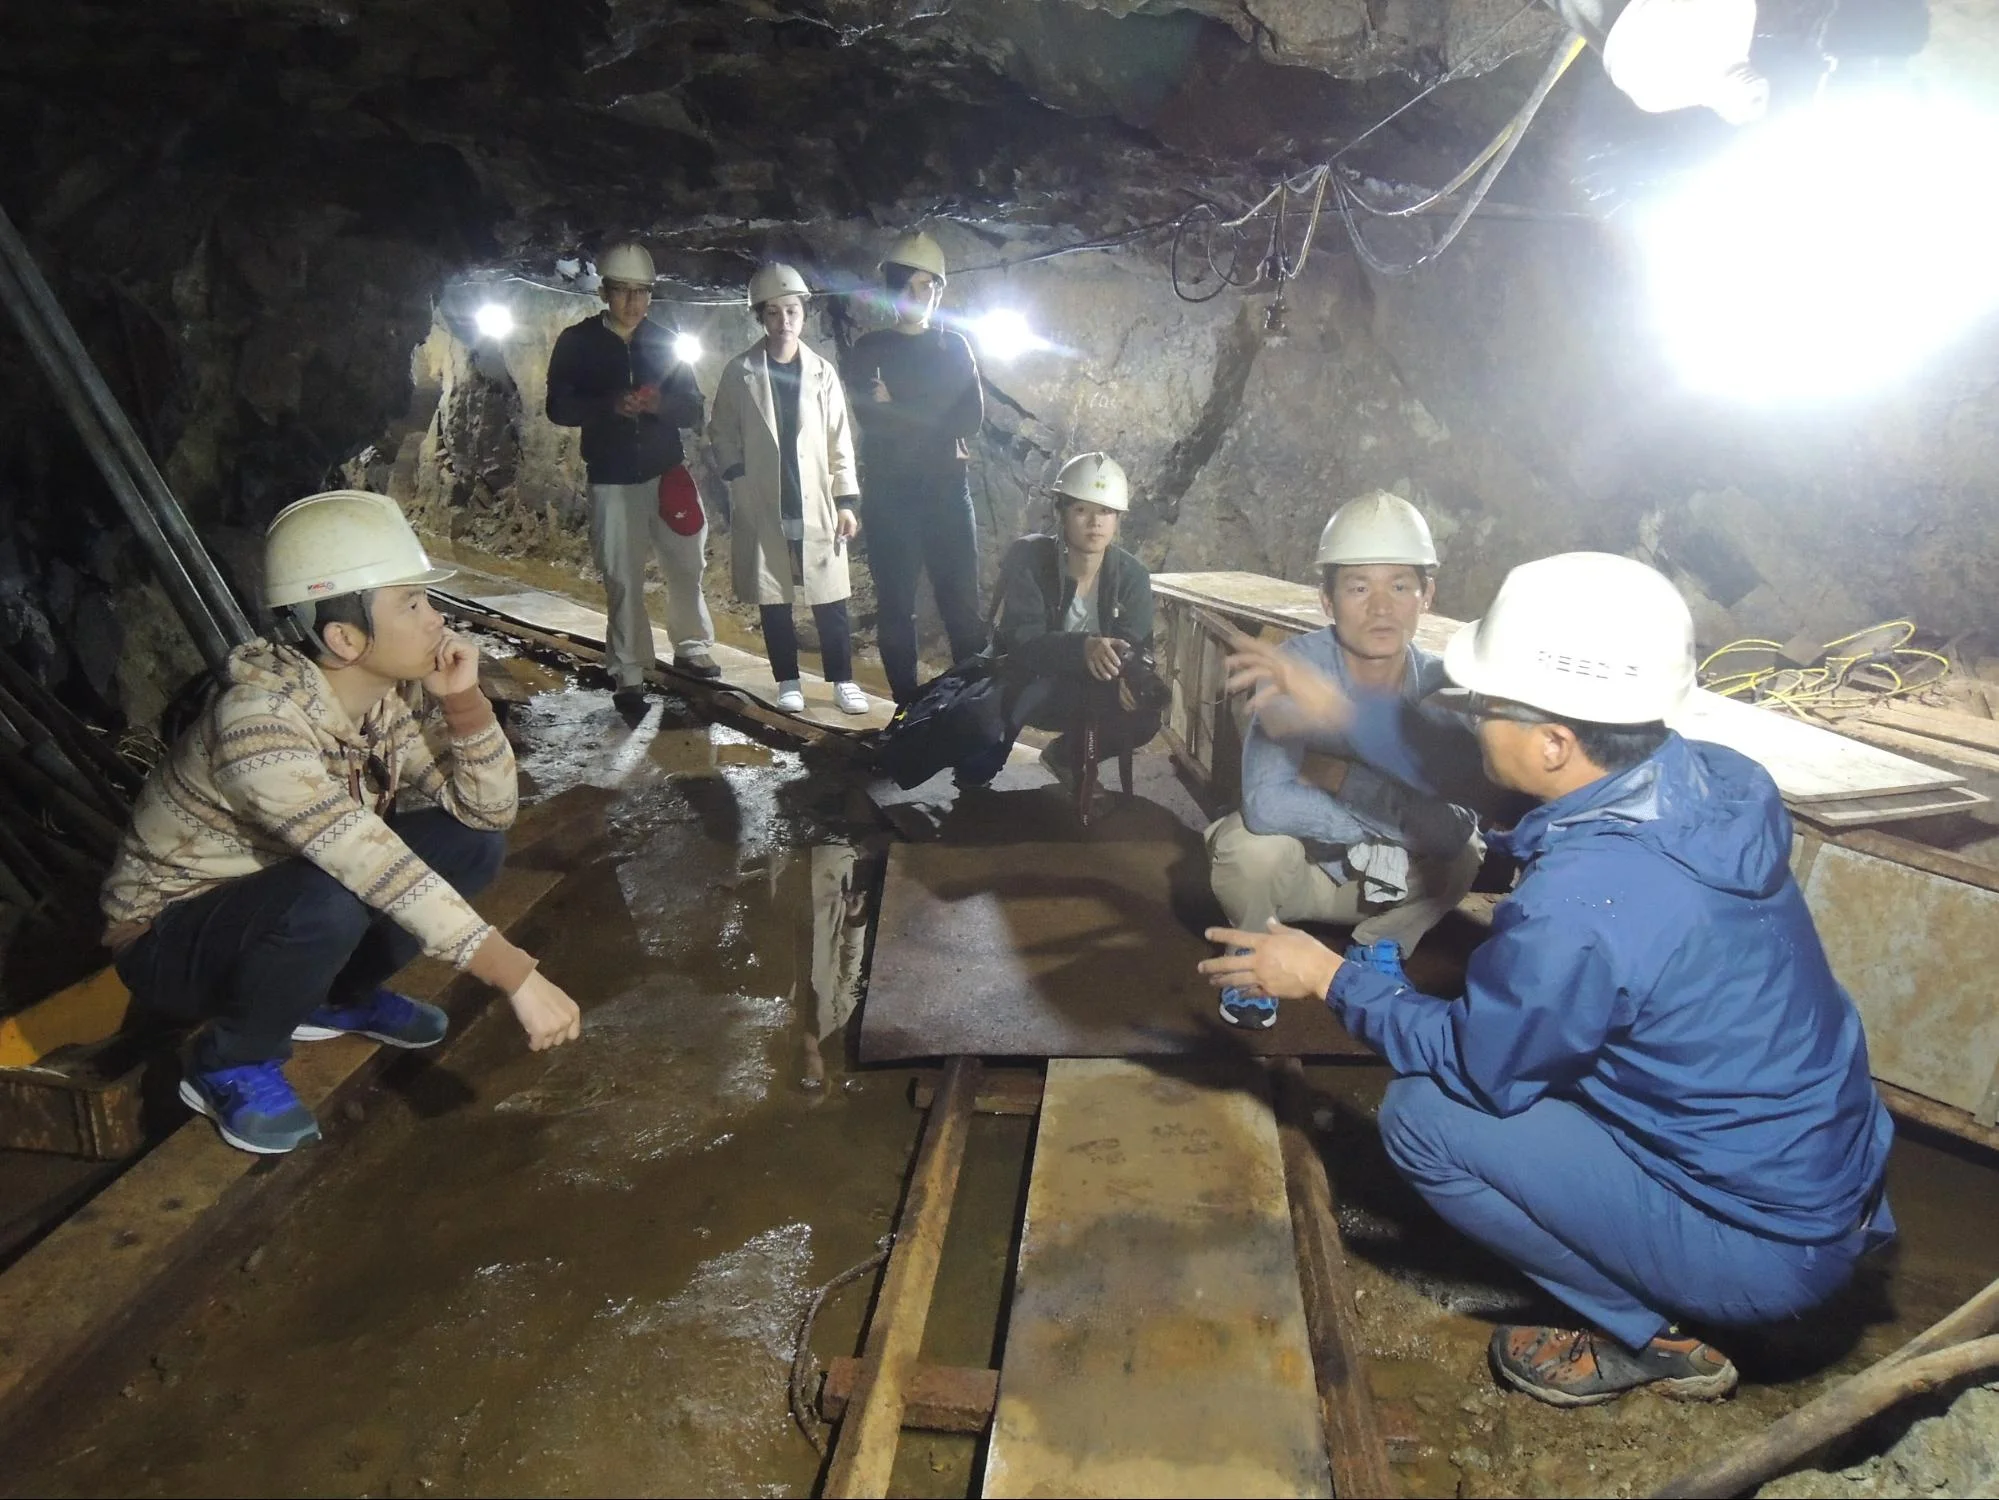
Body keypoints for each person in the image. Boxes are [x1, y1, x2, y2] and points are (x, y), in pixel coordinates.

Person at [1200, 552, 1895, 1409]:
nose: (1470, 717)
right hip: (1831, 1178)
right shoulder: (1714, 781)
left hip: (1765, 1247)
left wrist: (1329, 976)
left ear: (1555, 742)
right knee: (1575, 1047)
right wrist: (1345, 711)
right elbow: (1495, 773)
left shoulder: (1581, 910)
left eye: (1486, 705)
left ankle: (1652, 1338)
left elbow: (1475, 1064)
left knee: (1426, 1117)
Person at [101, 491, 584, 1155]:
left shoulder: (375, 704)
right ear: (346, 637)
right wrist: (515, 974)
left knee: (470, 845)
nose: (434, 620)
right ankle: (227, 1060)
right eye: (411, 605)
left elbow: (485, 810)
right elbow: (365, 859)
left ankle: (335, 996)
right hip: (172, 937)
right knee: (330, 895)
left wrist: (464, 704)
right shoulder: (259, 726)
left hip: (283, 900)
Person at [1208, 491, 1488, 1032]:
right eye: (1359, 587)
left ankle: (1378, 945)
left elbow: (1458, 825)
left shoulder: (1443, 685)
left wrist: (1335, 775)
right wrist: (1391, 809)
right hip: (1303, 875)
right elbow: (1267, 803)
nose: (1381, 608)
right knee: (1246, 846)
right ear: (1328, 601)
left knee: (1465, 852)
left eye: (1400, 586)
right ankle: (1255, 955)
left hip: (1388, 888)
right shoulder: (1295, 669)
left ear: (1426, 595)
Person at [546, 240, 720, 713]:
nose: (633, 303)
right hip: (612, 476)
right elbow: (558, 407)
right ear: (603, 292)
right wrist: (609, 406)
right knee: (622, 576)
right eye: (623, 291)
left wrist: (658, 404)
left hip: (667, 472)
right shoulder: (577, 343)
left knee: (687, 564)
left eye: (641, 292)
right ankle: (629, 668)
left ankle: (691, 646)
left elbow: (693, 407)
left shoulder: (665, 340)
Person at [708, 263, 867, 715]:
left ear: (804, 314)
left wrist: (847, 501)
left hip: (815, 499)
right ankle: (788, 679)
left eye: (792, 311)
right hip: (765, 498)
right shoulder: (740, 372)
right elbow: (721, 431)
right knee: (774, 595)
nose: (784, 322)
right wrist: (738, 477)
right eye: (774, 312)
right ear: (761, 316)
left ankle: (842, 679)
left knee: (830, 595)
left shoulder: (822, 373)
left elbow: (840, 439)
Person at [843, 230, 986, 704]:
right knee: (896, 606)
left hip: (947, 492)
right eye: (909, 284)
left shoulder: (955, 347)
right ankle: (906, 710)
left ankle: (968, 709)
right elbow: (871, 418)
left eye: (928, 285)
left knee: (962, 606)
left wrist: (898, 400)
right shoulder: (869, 350)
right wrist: (933, 416)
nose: (918, 295)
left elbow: (971, 417)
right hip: (890, 494)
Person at [992, 453, 1162, 785]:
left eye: (1106, 512)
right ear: (1062, 512)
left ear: (1117, 519)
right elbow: (1022, 641)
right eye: (1081, 509)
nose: (1095, 522)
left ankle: (1066, 756)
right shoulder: (1032, 560)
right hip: (1033, 682)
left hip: (1094, 688)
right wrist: (1082, 648)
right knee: (974, 764)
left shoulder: (1132, 576)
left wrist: (1132, 676)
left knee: (1144, 716)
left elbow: (1137, 641)